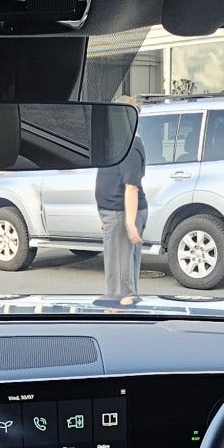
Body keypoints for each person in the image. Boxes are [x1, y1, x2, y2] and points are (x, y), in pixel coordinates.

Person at [97, 96, 149, 302]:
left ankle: (121, 312)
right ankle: (121, 308)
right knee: (119, 273)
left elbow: (131, 187)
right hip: (113, 213)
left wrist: (129, 224)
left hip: (122, 213)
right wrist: (102, 214)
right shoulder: (118, 143)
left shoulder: (131, 147)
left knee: (120, 281)